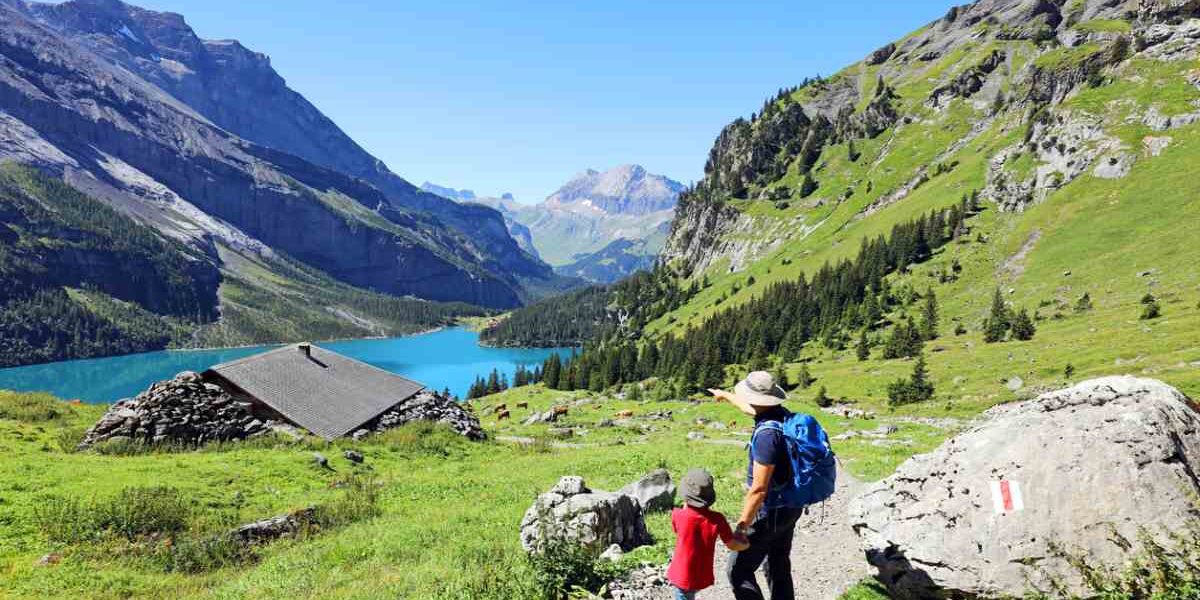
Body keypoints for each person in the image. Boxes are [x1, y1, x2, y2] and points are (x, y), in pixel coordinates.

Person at [709, 371, 804, 600]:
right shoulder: (780, 416)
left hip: (769, 512)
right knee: (778, 565)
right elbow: (749, 408)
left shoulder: (766, 436)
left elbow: (759, 489)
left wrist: (741, 527)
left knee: (738, 571)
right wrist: (725, 396)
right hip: (791, 505)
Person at [667, 468, 750, 600]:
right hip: (701, 575)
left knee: (684, 595)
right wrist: (746, 544)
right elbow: (732, 544)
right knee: (690, 594)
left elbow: (678, 530)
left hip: (681, 575)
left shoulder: (678, 515)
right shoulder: (717, 519)